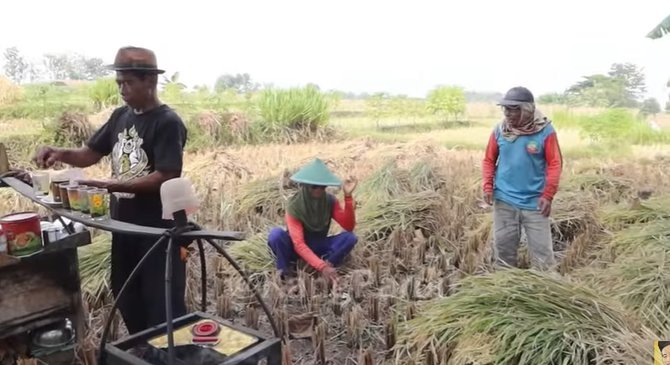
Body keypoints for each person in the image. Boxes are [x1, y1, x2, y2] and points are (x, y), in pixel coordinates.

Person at [33, 46, 189, 335]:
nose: (122, 90)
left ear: (150, 82)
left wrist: (110, 184)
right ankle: (142, 348)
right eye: (119, 83)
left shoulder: (167, 123)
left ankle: (170, 353)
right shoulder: (121, 116)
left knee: (161, 300)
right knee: (127, 293)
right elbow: (89, 154)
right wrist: (59, 152)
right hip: (124, 226)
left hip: (158, 230)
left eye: (128, 83)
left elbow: (165, 175)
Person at [481, 86, 563, 270]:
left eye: (513, 109)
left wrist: (548, 195)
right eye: (505, 109)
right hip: (504, 200)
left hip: (535, 203)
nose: (508, 114)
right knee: (503, 251)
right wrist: (487, 185)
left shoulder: (545, 131)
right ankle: (505, 286)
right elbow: (488, 160)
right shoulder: (500, 130)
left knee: (543, 257)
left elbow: (555, 164)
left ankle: (544, 290)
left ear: (527, 109)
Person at [268, 158, 358, 285]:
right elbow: (298, 244)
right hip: (295, 247)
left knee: (350, 238)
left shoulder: (330, 201)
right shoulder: (294, 205)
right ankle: (285, 273)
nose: (319, 190)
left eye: (322, 187)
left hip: (318, 244)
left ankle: (328, 265)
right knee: (275, 235)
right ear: (305, 186)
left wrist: (348, 197)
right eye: (314, 186)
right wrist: (321, 266)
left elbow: (348, 227)